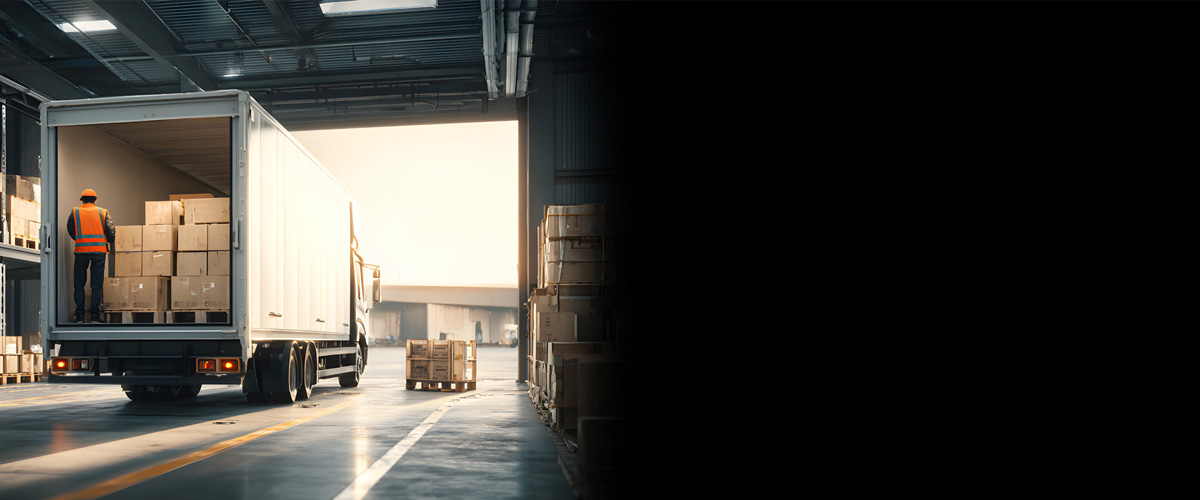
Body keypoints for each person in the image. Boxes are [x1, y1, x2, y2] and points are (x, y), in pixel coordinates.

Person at [67, 188, 116, 323]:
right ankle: (94, 316)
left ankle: (79, 317)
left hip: (81, 251)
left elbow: (70, 228)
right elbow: (111, 231)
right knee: (96, 286)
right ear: (95, 200)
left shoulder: (75, 211)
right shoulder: (103, 212)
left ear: (82, 200)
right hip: (99, 252)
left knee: (79, 285)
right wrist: (109, 240)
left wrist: (80, 239)